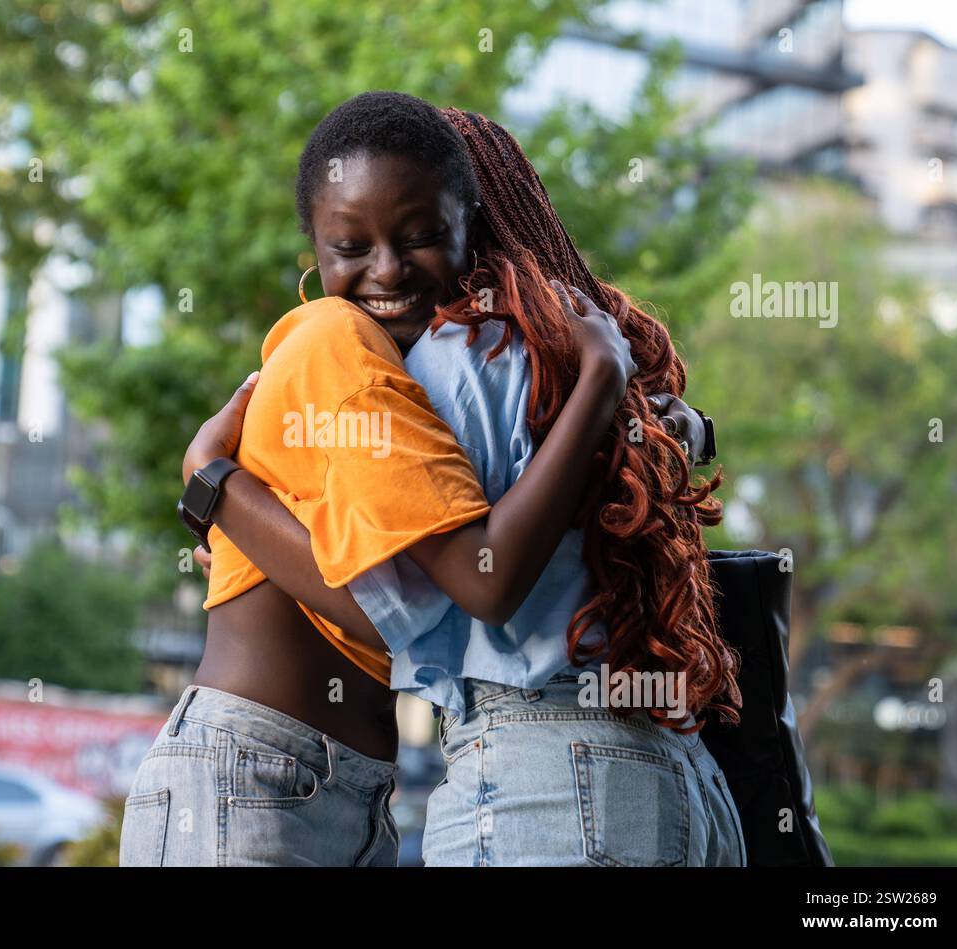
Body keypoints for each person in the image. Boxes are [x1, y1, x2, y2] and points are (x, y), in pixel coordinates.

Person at [120, 92, 736, 866]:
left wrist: (214, 491)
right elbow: (413, 604)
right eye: (354, 241)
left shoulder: (477, 366)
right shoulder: (349, 346)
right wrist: (219, 499)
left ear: (473, 218)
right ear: (315, 243)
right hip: (263, 769)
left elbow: (429, 600)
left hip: (367, 779)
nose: (389, 268)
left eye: (420, 233)